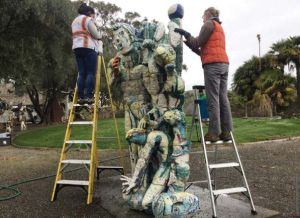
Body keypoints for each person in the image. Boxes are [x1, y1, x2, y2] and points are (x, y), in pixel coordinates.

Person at [174, 7, 232, 142]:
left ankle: (213, 133)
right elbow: (203, 51)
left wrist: (186, 34)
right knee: (223, 98)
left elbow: (197, 42)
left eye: (203, 15)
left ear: (208, 14)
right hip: (224, 64)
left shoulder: (208, 24)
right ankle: (226, 132)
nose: (202, 18)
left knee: (213, 100)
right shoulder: (219, 27)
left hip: (213, 66)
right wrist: (189, 42)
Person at [72, 3, 101, 104]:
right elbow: (96, 35)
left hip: (77, 48)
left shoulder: (74, 21)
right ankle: (89, 96)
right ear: (88, 12)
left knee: (81, 73)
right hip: (88, 47)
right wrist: (100, 36)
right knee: (90, 73)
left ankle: (80, 97)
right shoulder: (87, 19)